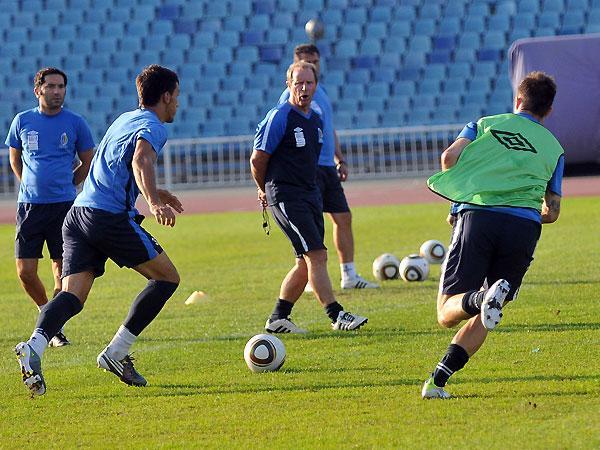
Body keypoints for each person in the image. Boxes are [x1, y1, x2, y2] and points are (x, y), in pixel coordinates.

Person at [15, 64, 183, 396]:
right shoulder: (153, 125)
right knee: (167, 278)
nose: (177, 102)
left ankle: (34, 346)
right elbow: (140, 160)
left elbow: (115, 167)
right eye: (176, 96)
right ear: (165, 97)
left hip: (77, 214)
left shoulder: (125, 119)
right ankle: (116, 353)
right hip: (107, 218)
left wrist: (153, 191)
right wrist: (153, 201)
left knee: (72, 296)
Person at [421, 72, 564, 399]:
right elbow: (553, 211)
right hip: (524, 227)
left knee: (446, 313)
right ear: (548, 110)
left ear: (518, 100)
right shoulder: (555, 149)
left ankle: (479, 298)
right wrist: (526, 209)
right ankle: (437, 382)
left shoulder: (484, 124)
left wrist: (459, 196)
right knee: (490, 313)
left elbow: (448, 158)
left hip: (479, 217)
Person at [250, 61, 368, 334]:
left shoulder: (315, 118)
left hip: (309, 194)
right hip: (285, 195)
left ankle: (278, 318)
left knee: (304, 263)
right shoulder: (280, 116)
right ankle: (336, 315)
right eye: (298, 83)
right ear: (288, 85)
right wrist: (263, 188)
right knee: (317, 254)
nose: (304, 88)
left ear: (316, 85)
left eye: (309, 83)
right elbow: (257, 159)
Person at [5, 67, 95, 347]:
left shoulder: (75, 122)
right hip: (29, 207)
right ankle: (47, 314)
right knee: (25, 271)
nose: (57, 92)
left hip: (64, 207)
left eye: (61, 87)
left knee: (61, 270)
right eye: (51, 86)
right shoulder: (22, 121)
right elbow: (14, 158)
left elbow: (88, 160)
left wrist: (70, 184)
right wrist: (28, 183)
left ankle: (52, 329)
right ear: (38, 90)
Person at [278, 44, 378, 290]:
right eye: (306, 61)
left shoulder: (319, 91)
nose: (312, 65)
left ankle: (349, 275)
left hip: (326, 167)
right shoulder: (288, 97)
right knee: (310, 225)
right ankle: (310, 277)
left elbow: (327, 127)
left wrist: (339, 158)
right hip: (307, 168)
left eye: (315, 61)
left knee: (343, 217)